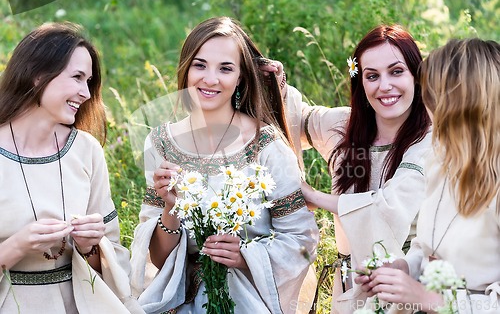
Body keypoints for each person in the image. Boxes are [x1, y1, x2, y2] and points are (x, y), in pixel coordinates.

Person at [129, 16, 319, 314]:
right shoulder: (160, 144)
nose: (210, 78)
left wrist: (245, 256)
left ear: (241, 77)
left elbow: (301, 240)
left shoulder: (265, 145)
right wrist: (169, 208)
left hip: (245, 301)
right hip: (180, 303)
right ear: (186, 68)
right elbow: (159, 260)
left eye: (225, 68)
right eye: (200, 65)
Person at [273, 24, 433, 313]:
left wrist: (312, 196)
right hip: (349, 285)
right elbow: (297, 117)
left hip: (408, 290)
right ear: (360, 82)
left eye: (396, 71)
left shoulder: (432, 141)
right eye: (372, 76)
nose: (384, 86)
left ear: (416, 75)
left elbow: (386, 208)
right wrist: (275, 84)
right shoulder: (345, 126)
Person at [0, 22, 143, 313]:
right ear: (37, 76)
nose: (86, 93)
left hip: (80, 304)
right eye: (77, 77)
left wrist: (90, 246)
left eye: (89, 81)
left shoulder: (86, 150)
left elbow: (113, 261)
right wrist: (17, 245)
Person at [356, 38, 500, 314]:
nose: (427, 108)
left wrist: (431, 300)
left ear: (463, 107)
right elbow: (429, 246)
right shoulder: (441, 162)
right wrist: (403, 269)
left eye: (434, 99)